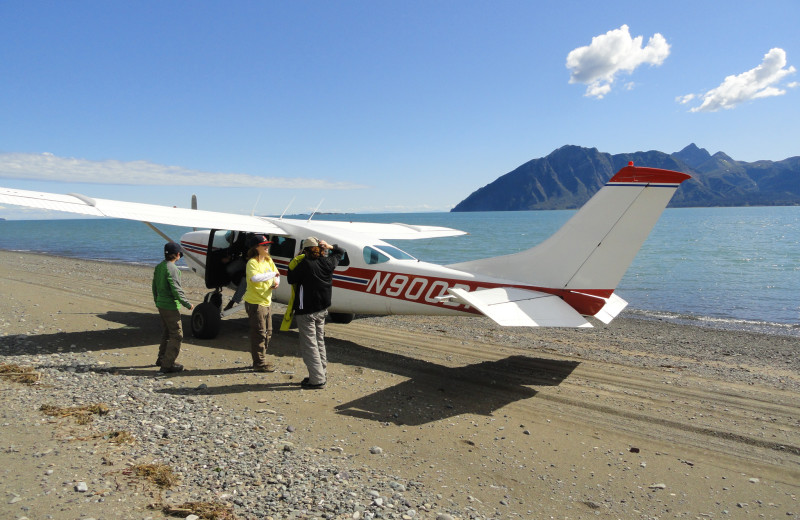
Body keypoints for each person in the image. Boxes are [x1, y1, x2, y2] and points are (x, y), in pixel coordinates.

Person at [286, 236, 346, 389]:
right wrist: (330, 246)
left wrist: (295, 259)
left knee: (309, 345)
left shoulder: (304, 264)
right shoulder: (328, 262)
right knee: (319, 341)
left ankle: (317, 379)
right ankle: (321, 372)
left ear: (305, 250)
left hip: (306, 310)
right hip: (322, 309)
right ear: (321, 249)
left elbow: (290, 278)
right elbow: (341, 251)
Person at [152, 242, 194, 373]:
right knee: (177, 335)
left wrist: (157, 300)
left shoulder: (160, 267)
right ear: (177, 255)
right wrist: (187, 304)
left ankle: (162, 358)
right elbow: (176, 289)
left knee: (167, 332)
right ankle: (168, 364)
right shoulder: (172, 268)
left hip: (161, 304)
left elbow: (154, 286)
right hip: (169, 306)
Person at [243, 234, 280, 372]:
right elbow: (255, 278)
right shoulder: (252, 263)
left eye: (267, 245)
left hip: (266, 301)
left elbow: (277, 274)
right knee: (259, 333)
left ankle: (260, 358)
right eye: (264, 245)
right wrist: (272, 276)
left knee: (268, 332)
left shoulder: (268, 260)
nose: (267, 247)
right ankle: (259, 363)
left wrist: (276, 282)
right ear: (256, 247)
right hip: (255, 302)